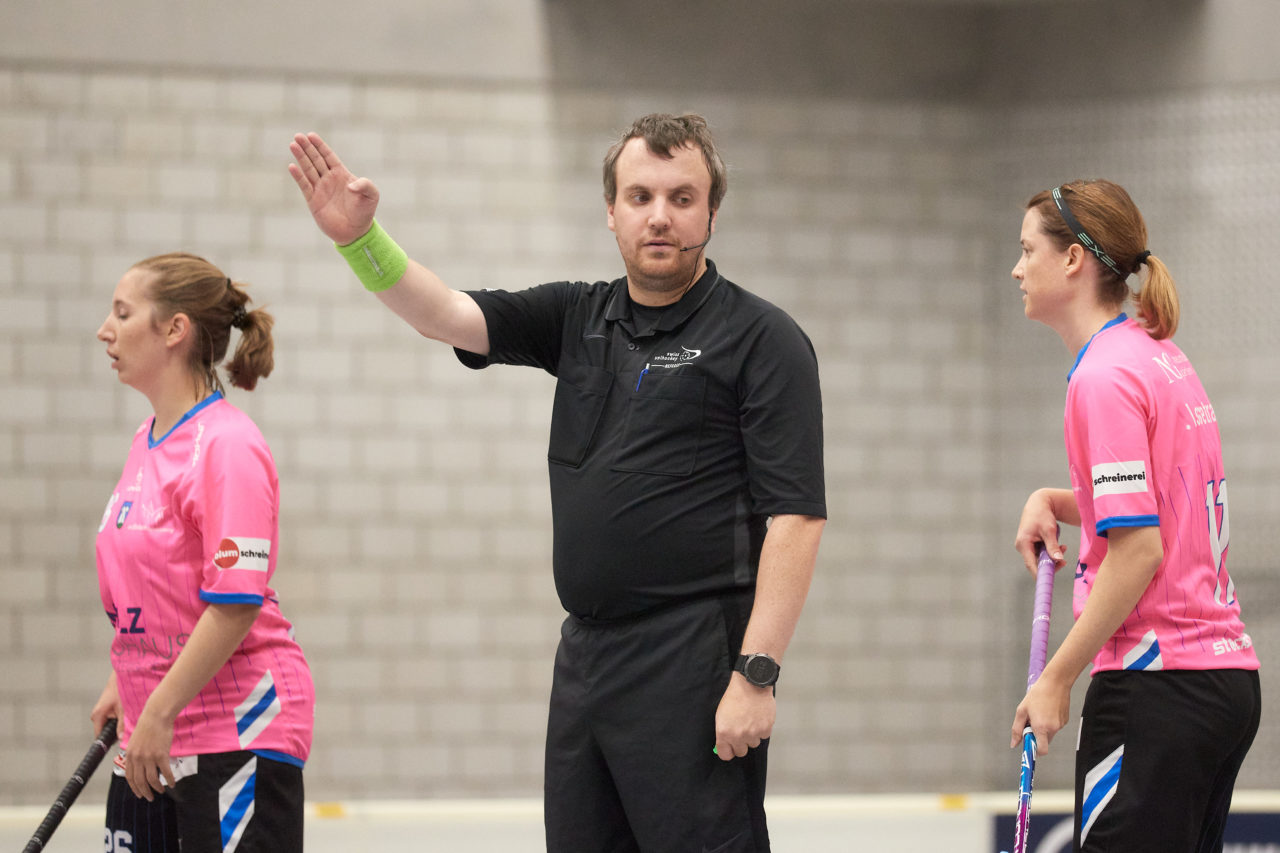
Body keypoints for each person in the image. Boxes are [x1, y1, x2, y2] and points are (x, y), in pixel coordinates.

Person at [288, 113, 826, 852]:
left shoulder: (762, 339)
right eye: (639, 196)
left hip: (693, 656)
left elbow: (795, 518)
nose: (660, 215)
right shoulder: (580, 316)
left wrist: (756, 675)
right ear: (611, 212)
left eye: (681, 197)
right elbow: (445, 315)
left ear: (711, 212)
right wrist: (359, 241)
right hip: (586, 658)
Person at [1009, 179, 1260, 852]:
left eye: (1028, 248)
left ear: (1072, 261)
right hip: (1223, 684)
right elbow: (1157, 509)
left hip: (1158, 685)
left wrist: (1056, 679)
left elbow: (1139, 549)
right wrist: (1054, 501)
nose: (1017, 268)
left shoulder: (1103, 377)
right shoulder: (1156, 355)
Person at [91, 253, 314, 853]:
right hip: (155, 723)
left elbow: (236, 602)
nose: (104, 330)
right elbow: (161, 581)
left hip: (232, 728)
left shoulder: (228, 447)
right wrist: (128, 673)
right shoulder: (148, 440)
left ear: (174, 329)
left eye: (122, 312)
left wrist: (159, 709)